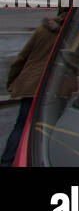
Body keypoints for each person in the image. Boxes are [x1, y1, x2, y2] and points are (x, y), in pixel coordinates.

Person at [3, 12, 64, 165]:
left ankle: (6, 161)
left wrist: (13, 81)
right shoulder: (73, 33)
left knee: (21, 124)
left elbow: (21, 58)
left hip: (30, 84)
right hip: (54, 87)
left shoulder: (44, 29)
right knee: (48, 127)